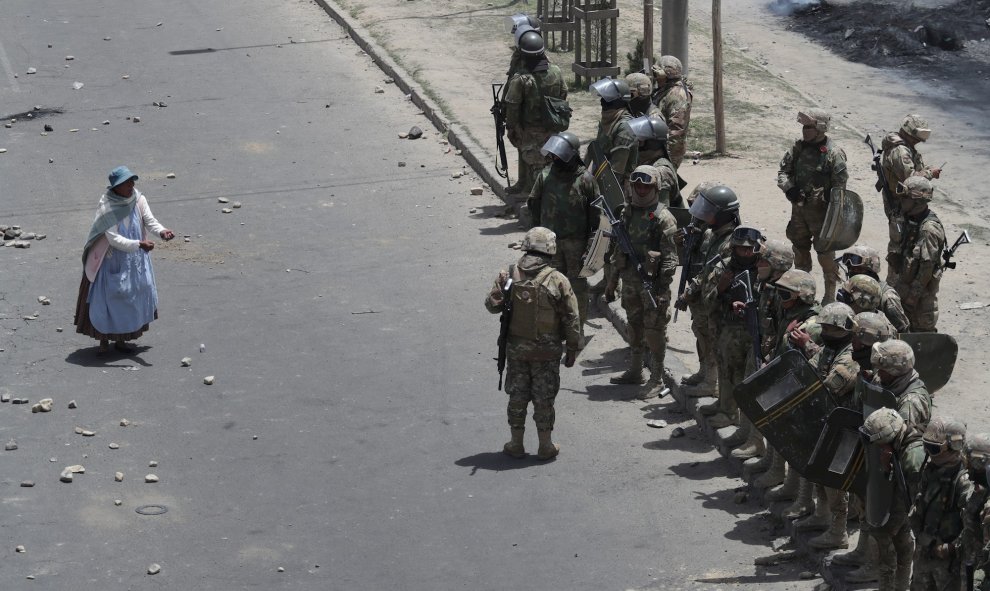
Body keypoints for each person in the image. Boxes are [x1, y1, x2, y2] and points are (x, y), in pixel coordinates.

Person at [485, 227, 581, 460]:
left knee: (517, 396)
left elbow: (491, 305)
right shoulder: (558, 279)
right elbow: (572, 318)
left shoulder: (508, 274)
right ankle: (545, 445)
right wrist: (572, 349)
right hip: (547, 353)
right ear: (550, 250)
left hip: (517, 351)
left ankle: (516, 444)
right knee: (544, 398)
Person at [75, 166, 174, 354]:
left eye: (132, 181)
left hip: (134, 259)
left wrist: (162, 231)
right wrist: (139, 244)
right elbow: (113, 239)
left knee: (132, 296)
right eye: (127, 182)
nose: (132, 185)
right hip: (111, 259)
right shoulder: (107, 206)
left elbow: (149, 220)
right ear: (116, 187)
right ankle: (103, 341)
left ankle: (122, 339)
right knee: (109, 298)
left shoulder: (138, 198)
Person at [604, 165, 679, 400]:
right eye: (637, 185)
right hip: (630, 282)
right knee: (634, 326)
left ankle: (656, 378)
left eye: (646, 186)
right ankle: (635, 371)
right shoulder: (627, 212)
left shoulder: (663, 218)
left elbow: (670, 258)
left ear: (655, 188)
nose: (641, 189)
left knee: (655, 332)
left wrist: (660, 288)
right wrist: (612, 281)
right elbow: (618, 250)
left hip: (653, 286)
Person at [793, 302, 859, 550]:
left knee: (835, 482)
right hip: (825, 421)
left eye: (833, 329)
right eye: (825, 328)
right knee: (819, 474)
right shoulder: (830, 348)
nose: (827, 334)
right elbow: (811, 368)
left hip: (844, 427)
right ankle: (821, 516)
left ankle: (838, 531)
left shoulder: (850, 356)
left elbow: (830, 386)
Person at [728, 238, 794, 461]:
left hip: (770, 353)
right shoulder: (764, 283)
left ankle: (757, 442)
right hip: (759, 344)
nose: (757, 265)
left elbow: (782, 325)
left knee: (761, 399)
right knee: (748, 390)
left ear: (777, 264)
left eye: (763, 262)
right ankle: (747, 432)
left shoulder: (784, 291)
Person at [758, 269, 821, 495]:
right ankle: (778, 473)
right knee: (779, 431)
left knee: (796, 443)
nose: (780, 299)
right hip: (784, 386)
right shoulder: (791, 313)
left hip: (799, 392)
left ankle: (796, 491)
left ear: (801, 297)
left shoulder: (810, 323)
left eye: (785, 295)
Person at [777, 109, 848, 304]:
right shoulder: (798, 148)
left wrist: (833, 209)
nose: (804, 131)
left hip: (823, 216)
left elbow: (841, 190)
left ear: (820, 128)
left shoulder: (834, 154)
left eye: (809, 127)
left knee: (825, 256)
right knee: (800, 252)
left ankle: (829, 295)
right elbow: (783, 172)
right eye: (804, 127)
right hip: (799, 211)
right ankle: (803, 293)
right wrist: (789, 188)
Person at [528, 132, 598, 331]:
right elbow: (534, 205)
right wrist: (536, 241)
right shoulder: (545, 176)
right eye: (554, 155)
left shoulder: (585, 180)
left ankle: (577, 329)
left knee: (577, 288)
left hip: (577, 244)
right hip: (550, 244)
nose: (555, 159)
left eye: (560, 156)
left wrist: (591, 247)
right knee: (550, 286)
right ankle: (555, 328)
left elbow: (596, 215)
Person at [675, 184, 741, 393]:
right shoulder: (712, 235)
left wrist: (692, 291)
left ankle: (711, 384)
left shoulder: (732, 242)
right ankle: (704, 373)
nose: (705, 217)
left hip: (718, 303)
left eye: (710, 213)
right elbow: (704, 267)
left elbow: (714, 272)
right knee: (701, 333)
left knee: (713, 342)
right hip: (704, 299)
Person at [699, 226, 765, 429]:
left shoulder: (763, 270)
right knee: (725, 368)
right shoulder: (723, 268)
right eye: (740, 249)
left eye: (749, 249)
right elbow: (707, 302)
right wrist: (722, 289)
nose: (745, 253)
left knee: (739, 375)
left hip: (750, 331)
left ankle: (731, 413)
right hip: (724, 329)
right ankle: (724, 405)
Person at [860, 407, 926, 591]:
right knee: (901, 542)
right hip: (905, 506)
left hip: (920, 515)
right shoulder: (904, 437)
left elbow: (915, 501)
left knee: (890, 543)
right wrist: (887, 467)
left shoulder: (912, 458)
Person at [910, 416, 973, 591]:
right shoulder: (931, 469)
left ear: (954, 446)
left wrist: (952, 548)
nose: (929, 453)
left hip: (948, 561)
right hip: (925, 548)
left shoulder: (964, 481)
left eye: (934, 449)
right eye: (926, 447)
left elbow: (972, 526)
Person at [880, 114, 942, 283]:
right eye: (916, 138)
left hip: (904, 204)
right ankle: (893, 285)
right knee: (898, 249)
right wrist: (930, 173)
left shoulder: (904, 148)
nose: (918, 142)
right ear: (908, 133)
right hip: (901, 206)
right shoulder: (901, 151)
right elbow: (912, 180)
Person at [504, 28, 566, 197]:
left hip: (529, 128)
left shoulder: (521, 78)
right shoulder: (556, 71)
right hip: (551, 125)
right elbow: (563, 94)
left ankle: (531, 197)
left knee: (530, 158)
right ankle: (523, 185)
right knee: (541, 160)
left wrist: (511, 127)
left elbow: (512, 105)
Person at [890, 177, 945, 332]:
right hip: (906, 290)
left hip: (920, 301)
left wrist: (912, 298)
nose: (901, 201)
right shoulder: (912, 220)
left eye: (905, 198)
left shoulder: (928, 230)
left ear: (917, 202)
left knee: (921, 339)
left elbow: (926, 269)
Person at [501, 14, 542, 194]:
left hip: (530, 110)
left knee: (533, 154)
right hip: (521, 106)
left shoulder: (533, 54)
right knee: (521, 148)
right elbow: (512, 78)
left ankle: (531, 190)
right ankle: (522, 183)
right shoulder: (520, 53)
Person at [837, 244, 910, 333]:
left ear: (870, 271)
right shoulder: (850, 290)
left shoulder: (887, 296)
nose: (853, 273)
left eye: (859, 270)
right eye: (851, 269)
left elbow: (903, 331)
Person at [588, 78, 638, 185]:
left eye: (607, 100)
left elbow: (616, 171)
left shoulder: (625, 127)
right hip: (601, 176)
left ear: (618, 102)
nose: (602, 102)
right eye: (602, 98)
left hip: (620, 187)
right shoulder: (608, 121)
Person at [627, 115, 684, 207]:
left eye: (641, 141)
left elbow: (661, 211)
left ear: (652, 143)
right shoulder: (647, 162)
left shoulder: (662, 171)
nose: (637, 144)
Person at [957, 433, 990, 590]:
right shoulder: (973, 488)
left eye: (972, 461)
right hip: (967, 560)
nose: (968, 466)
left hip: (981, 570)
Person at [650, 55, 692, 168]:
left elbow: (676, 129)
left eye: (656, 73)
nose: (655, 76)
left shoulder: (677, 94)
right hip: (659, 147)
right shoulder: (664, 90)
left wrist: (668, 157)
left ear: (665, 74)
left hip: (668, 150)